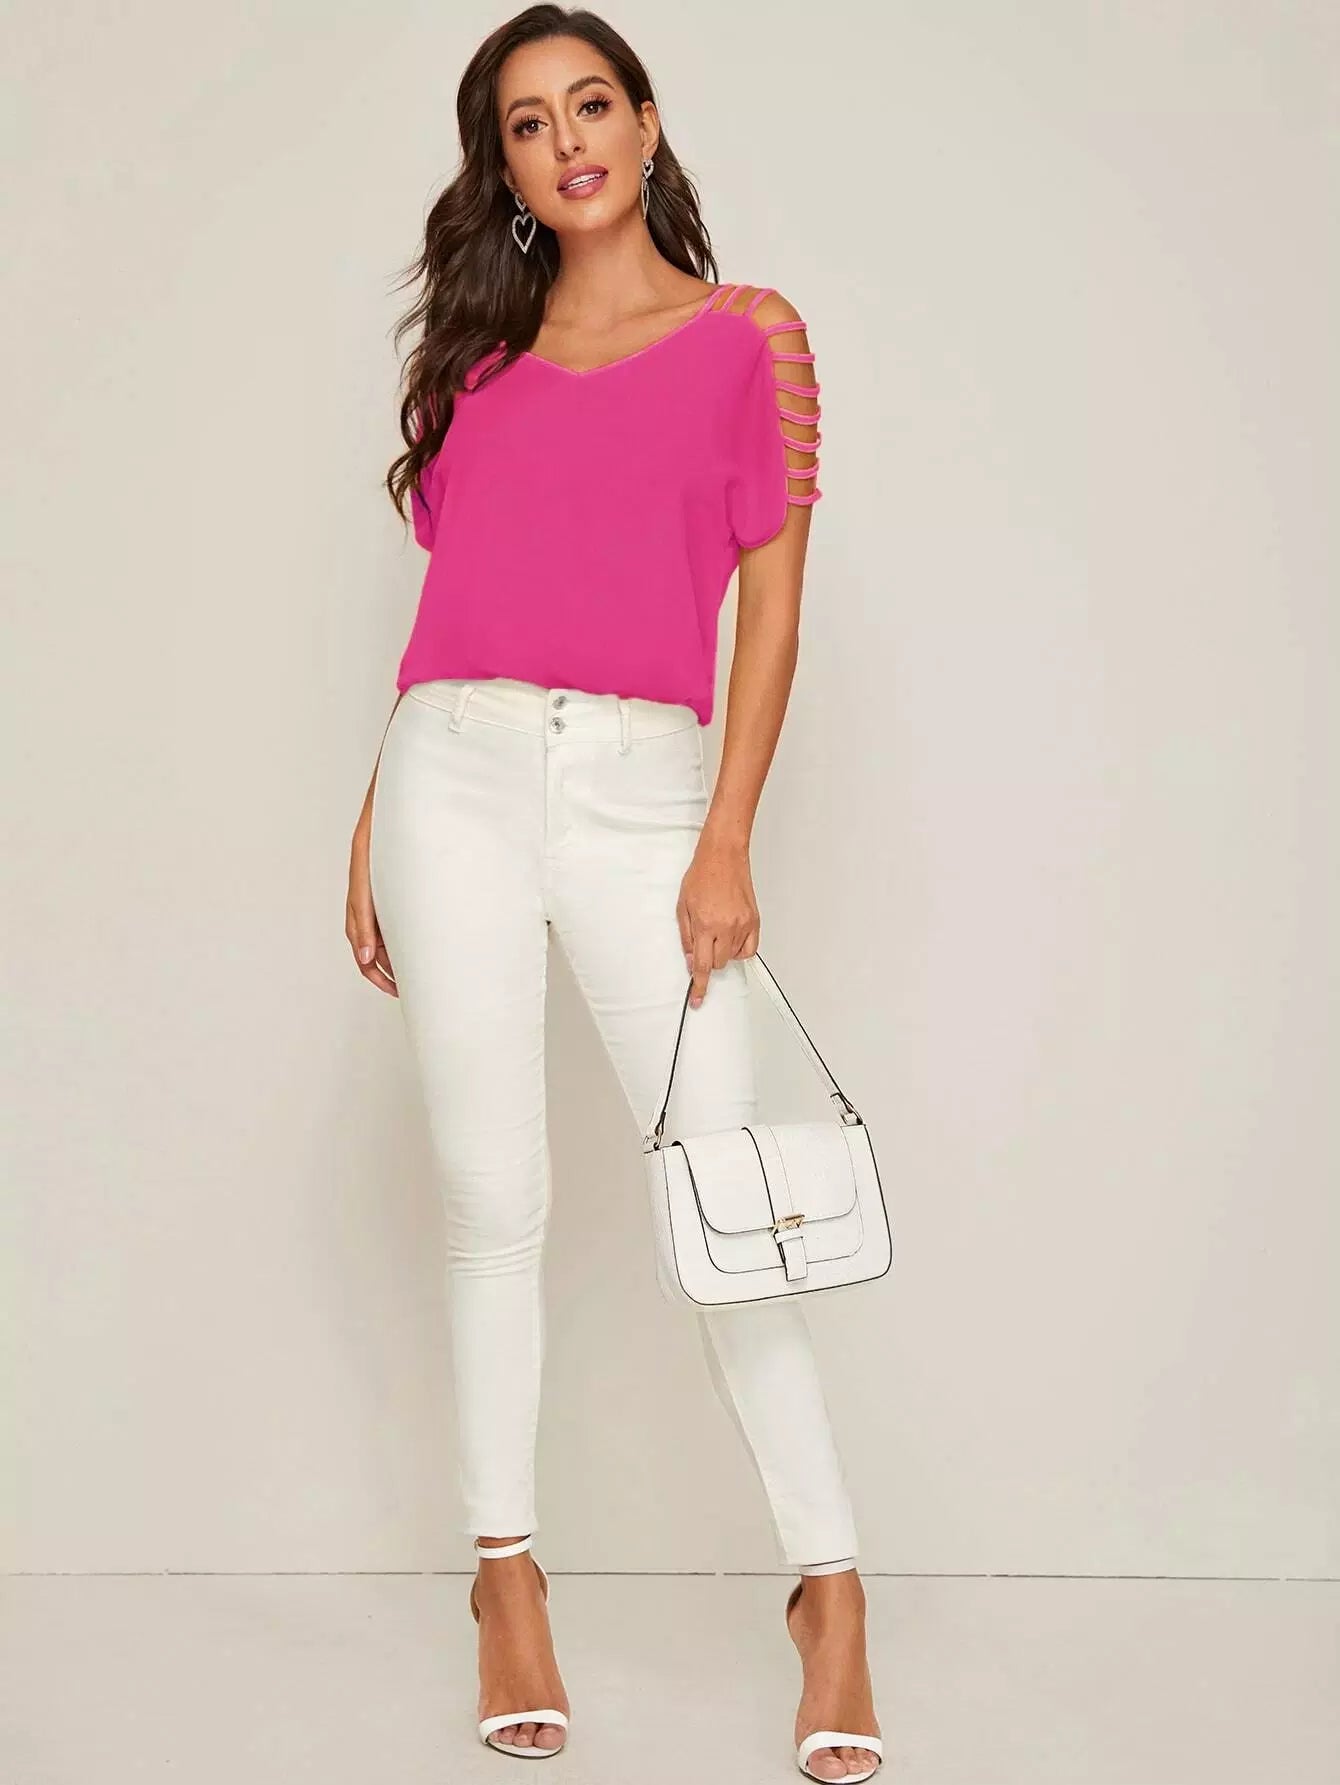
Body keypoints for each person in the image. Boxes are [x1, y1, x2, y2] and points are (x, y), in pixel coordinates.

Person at [344, 7, 883, 1779]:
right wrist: (372, 819)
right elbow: (451, 617)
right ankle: (505, 1571)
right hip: (449, 779)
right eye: (527, 123)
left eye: (591, 105)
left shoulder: (752, 337)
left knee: (724, 1203)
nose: (566, 140)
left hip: (651, 797)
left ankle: (830, 1590)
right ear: (501, 165)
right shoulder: (479, 363)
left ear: (647, 126)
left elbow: (774, 610)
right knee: (492, 1196)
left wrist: (727, 837)